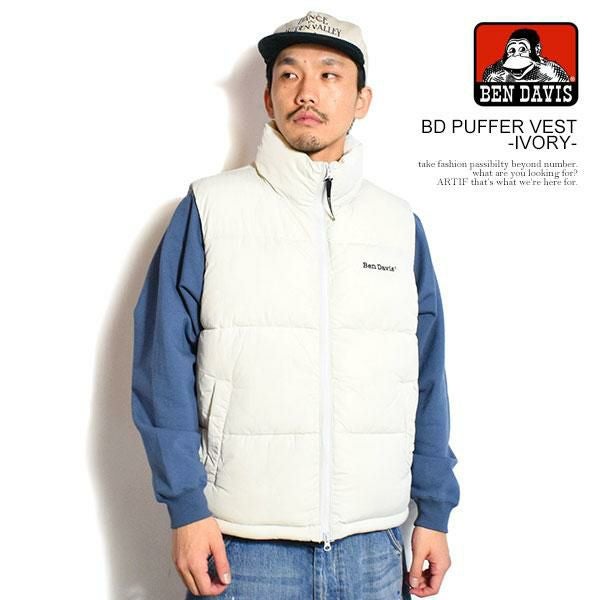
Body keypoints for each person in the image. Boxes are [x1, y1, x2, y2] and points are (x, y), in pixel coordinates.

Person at [131, 10, 460, 599]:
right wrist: (186, 507)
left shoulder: (398, 225)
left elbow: (426, 374)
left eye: (329, 75)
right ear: (268, 97)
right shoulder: (210, 210)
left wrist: (434, 511)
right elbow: (161, 368)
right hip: (240, 547)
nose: (306, 92)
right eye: (289, 75)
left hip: (375, 548)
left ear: (362, 100)